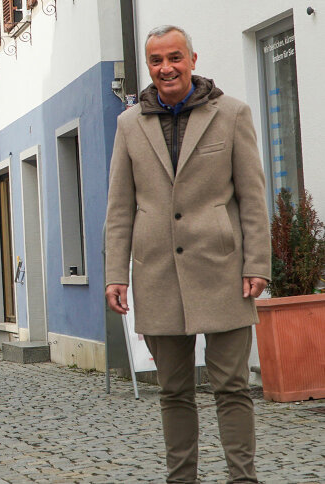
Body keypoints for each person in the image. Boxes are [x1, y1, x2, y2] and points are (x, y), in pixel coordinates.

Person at [104, 25, 270, 483]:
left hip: (224, 270)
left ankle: (243, 478)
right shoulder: (129, 123)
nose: (166, 68)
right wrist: (115, 273)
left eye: (175, 57)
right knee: (174, 391)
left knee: (232, 387)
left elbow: (253, 197)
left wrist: (258, 262)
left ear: (192, 60)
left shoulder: (231, 113)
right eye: (156, 61)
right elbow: (119, 207)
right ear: (149, 66)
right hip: (157, 274)